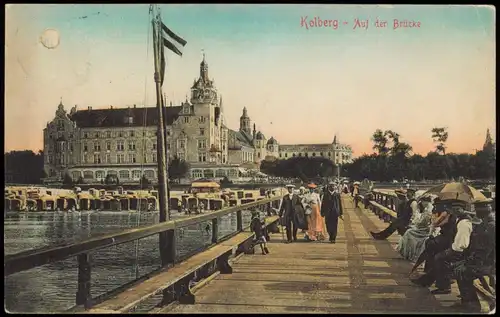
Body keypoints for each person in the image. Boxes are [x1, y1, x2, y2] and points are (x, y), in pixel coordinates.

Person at [410, 200, 475, 294]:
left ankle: (444, 286)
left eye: (458, 209)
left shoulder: (464, 221)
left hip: (460, 250)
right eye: (454, 209)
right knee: (435, 251)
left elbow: (461, 244)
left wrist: (450, 249)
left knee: (439, 257)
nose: (455, 211)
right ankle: (425, 281)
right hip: (454, 244)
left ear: (463, 209)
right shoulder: (457, 217)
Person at [451, 201, 495, 312]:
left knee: (461, 272)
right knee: (457, 268)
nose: (474, 212)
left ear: (481, 211)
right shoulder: (485, 223)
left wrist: (468, 264)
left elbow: (484, 252)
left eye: (476, 210)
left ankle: (472, 305)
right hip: (482, 260)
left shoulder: (490, 226)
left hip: (488, 264)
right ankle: (468, 302)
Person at [397, 196, 435, 262]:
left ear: (427, 202)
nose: (423, 203)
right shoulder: (427, 208)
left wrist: (416, 223)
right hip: (424, 228)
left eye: (424, 202)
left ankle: (409, 254)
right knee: (408, 231)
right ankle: (408, 254)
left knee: (409, 232)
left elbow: (422, 222)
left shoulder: (429, 210)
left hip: (425, 230)